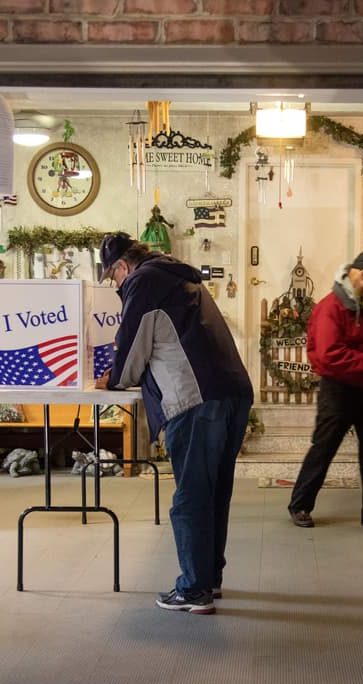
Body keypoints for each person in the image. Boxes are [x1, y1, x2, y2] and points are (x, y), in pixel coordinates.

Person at [95, 232, 254, 616]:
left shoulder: (142, 281)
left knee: (190, 496)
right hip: (232, 391)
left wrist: (112, 378)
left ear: (121, 266)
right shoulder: (177, 276)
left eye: (111, 277)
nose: (115, 285)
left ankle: (194, 589)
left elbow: (132, 352)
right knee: (213, 492)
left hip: (195, 398)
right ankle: (209, 577)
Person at [288, 250, 363, 530]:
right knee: (324, 448)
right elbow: (329, 355)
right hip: (336, 389)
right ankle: (300, 505)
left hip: (361, 385)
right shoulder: (331, 307)